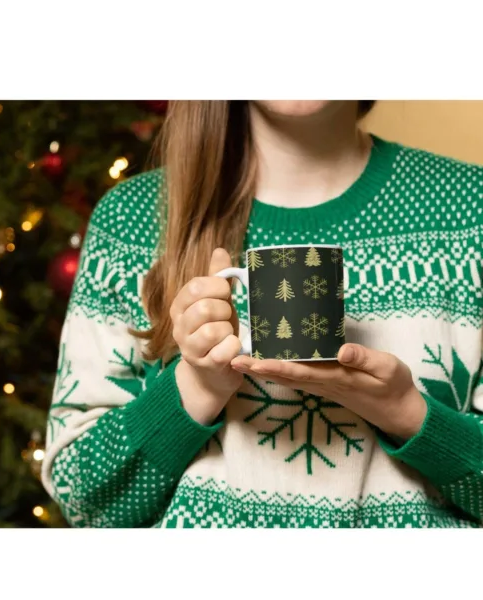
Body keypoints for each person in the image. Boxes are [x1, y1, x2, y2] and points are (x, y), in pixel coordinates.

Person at [41, 101, 483, 528]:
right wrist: (197, 385)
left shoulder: (469, 209)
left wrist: (405, 413)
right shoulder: (132, 220)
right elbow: (84, 502)